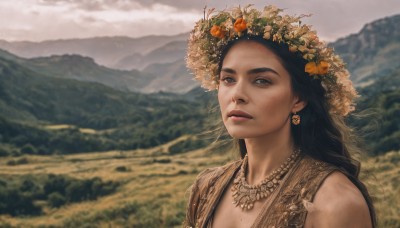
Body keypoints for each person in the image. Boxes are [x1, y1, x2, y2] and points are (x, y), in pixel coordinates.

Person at [184, 5, 376, 228]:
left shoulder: (335, 204)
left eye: (261, 81)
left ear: (298, 99)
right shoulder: (207, 188)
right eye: (228, 79)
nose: (237, 95)